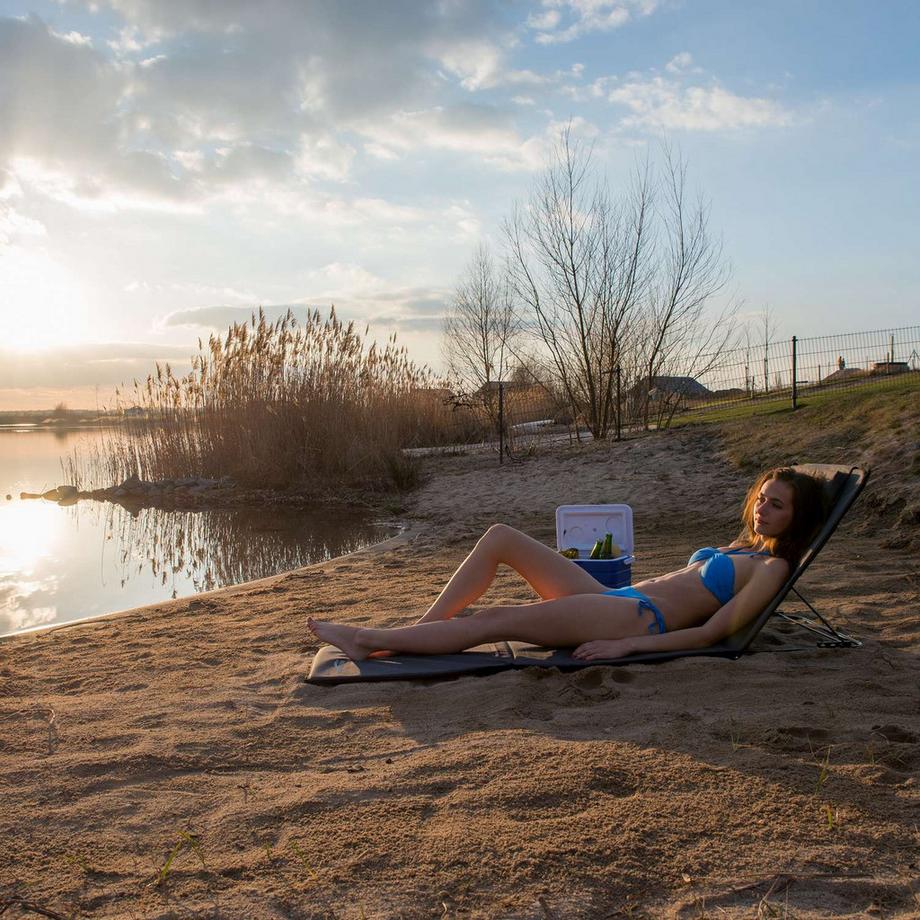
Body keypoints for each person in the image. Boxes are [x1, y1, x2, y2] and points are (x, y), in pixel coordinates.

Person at [308, 467, 826, 663]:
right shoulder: (743, 548)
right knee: (500, 538)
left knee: (493, 620)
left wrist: (628, 645)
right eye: (762, 497)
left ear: (797, 517)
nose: (763, 508)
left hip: (632, 619)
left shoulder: (773, 569)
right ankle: (418, 631)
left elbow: (714, 633)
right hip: (618, 602)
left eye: (778, 504)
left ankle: (366, 638)